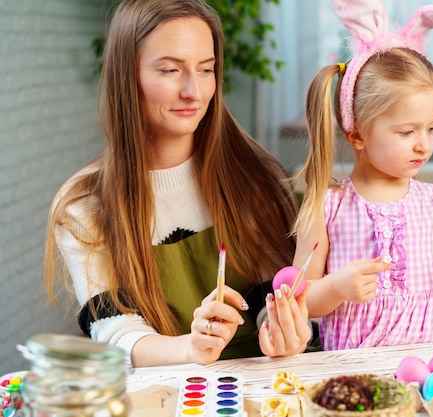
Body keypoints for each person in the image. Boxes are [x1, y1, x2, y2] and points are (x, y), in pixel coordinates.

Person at [43, 0, 310, 367]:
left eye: (206, 69)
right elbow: (116, 331)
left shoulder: (256, 175)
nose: (194, 91)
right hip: (164, 392)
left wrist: (283, 331)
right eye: (170, 70)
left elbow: (275, 295)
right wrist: (189, 349)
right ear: (127, 75)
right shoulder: (84, 203)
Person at [292, 0, 433, 351]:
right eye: (407, 132)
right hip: (359, 367)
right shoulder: (326, 207)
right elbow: (300, 297)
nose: (423, 145)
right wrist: (337, 287)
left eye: (431, 129)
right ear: (357, 134)